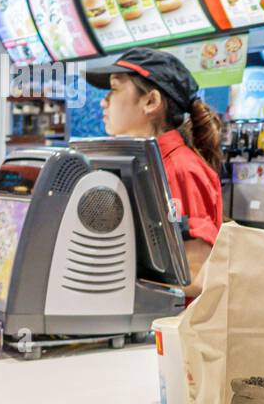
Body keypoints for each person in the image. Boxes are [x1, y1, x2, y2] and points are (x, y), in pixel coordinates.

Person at [84, 48, 223, 298]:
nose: (104, 101)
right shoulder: (142, 164)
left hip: (172, 331)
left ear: (151, 102)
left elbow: (196, 274)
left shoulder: (181, 169)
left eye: (114, 89)